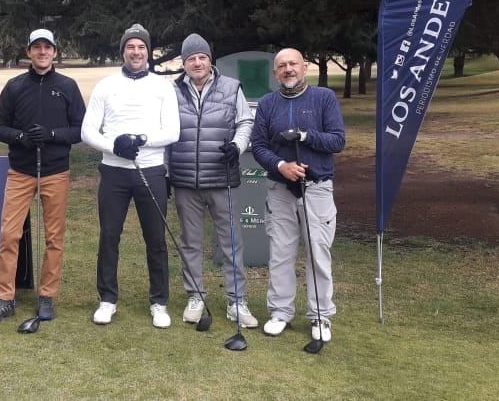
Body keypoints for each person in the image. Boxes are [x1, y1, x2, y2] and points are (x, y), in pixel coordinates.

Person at [0, 29, 86, 324]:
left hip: (55, 171)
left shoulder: (67, 86)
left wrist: (52, 134)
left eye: (47, 47)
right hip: (21, 171)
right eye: (37, 48)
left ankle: (46, 296)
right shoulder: (15, 86)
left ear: (55, 52)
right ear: (28, 52)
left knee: (54, 237)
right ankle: (5, 299)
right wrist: (20, 137)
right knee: (9, 235)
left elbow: (80, 130)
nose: (42, 52)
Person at [81, 23, 180, 328]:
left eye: (141, 47)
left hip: (150, 171)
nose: (136, 52)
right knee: (109, 236)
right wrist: (115, 146)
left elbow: (172, 131)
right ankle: (107, 299)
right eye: (130, 47)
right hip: (113, 173)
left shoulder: (163, 86)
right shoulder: (106, 85)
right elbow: (87, 131)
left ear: (148, 52)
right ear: (122, 50)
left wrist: (139, 140)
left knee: (156, 239)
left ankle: (159, 302)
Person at [250, 48, 345, 342]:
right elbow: (259, 145)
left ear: (304, 67)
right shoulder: (268, 104)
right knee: (280, 253)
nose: (288, 70)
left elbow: (337, 140)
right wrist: (281, 165)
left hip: (316, 187)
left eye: (293, 64)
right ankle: (280, 312)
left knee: (318, 252)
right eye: (282, 66)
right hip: (280, 188)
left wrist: (304, 136)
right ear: (275, 73)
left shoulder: (324, 98)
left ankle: (320, 315)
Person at [167, 33, 259, 329]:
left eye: (202, 57)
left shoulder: (231, 88)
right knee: (190, 242)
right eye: (191, 58)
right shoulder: (171, 92)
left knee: (231, 242)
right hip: (185, 180)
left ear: (210, 60)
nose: (197, 62)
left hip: (221, 178)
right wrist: (167, 172)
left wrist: (238, 145)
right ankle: (195, 296)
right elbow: (164, 132)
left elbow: (246, 121)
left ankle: (236, 301)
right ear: (184, 63)